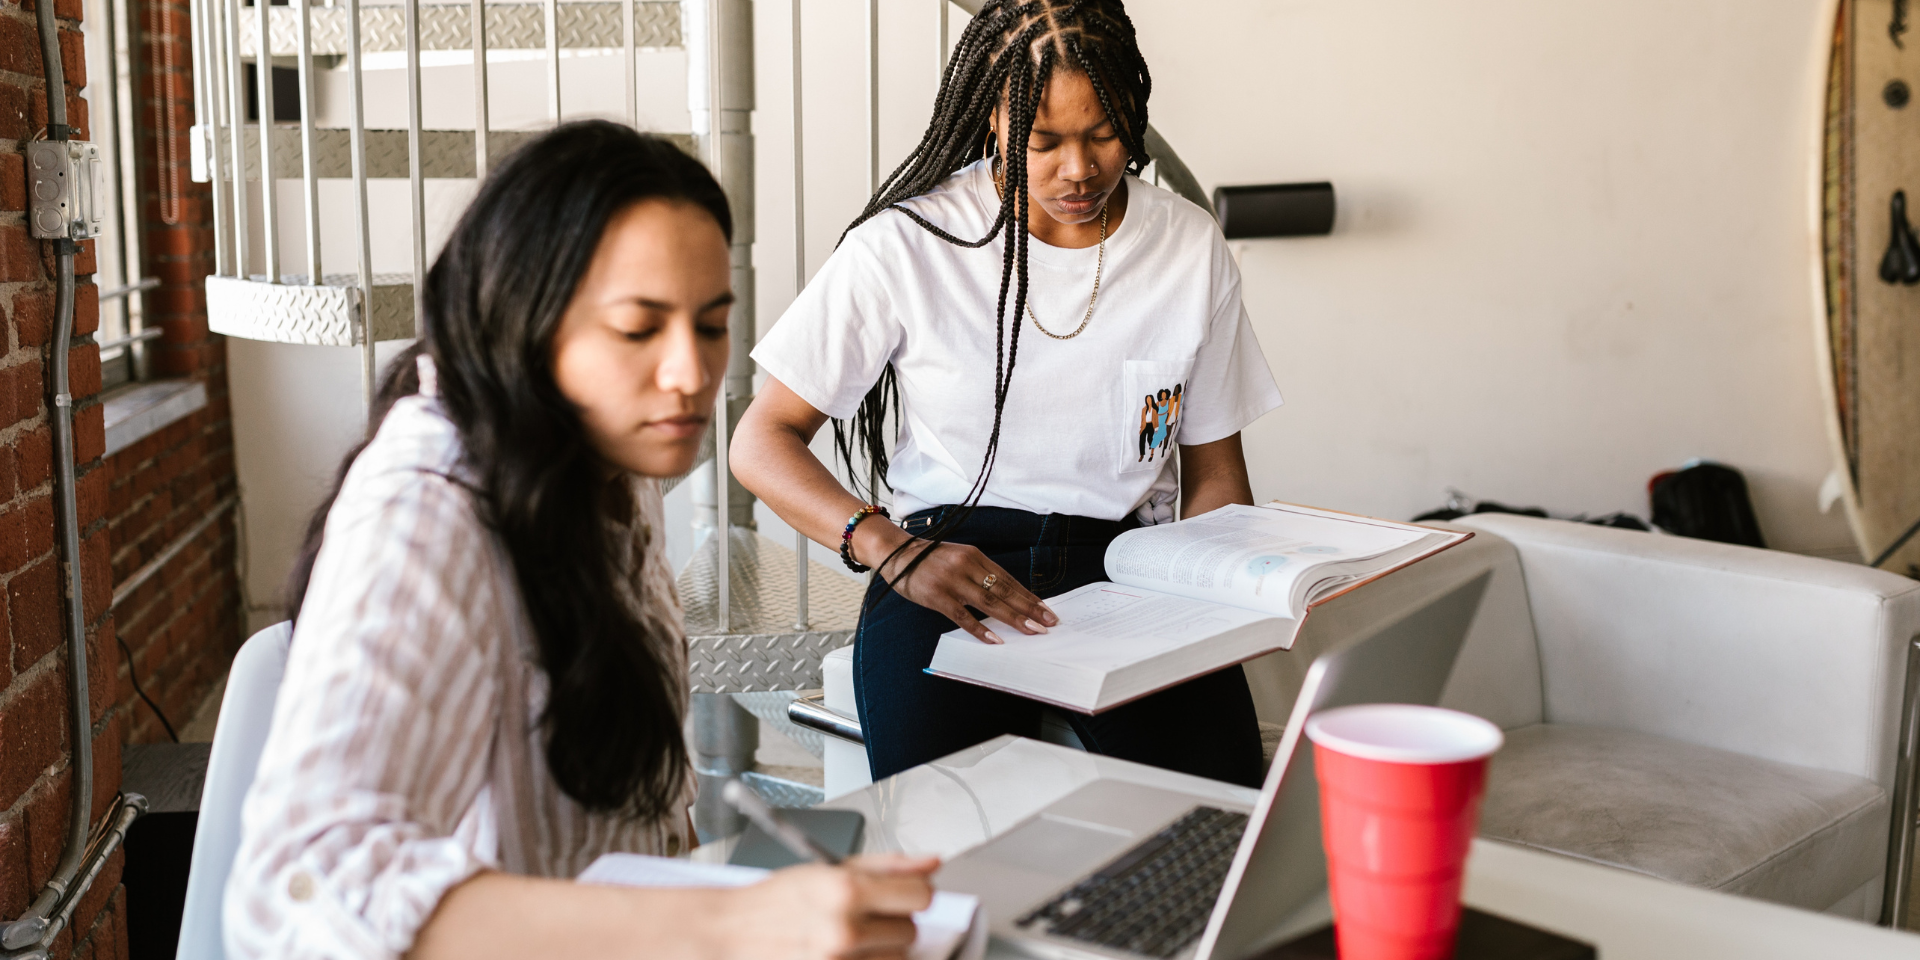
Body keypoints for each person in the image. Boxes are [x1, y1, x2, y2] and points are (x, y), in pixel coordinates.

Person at [226, 122, 936, 960]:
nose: (690, 375)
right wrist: (726, 925)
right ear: (532, 320)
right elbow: (297, 891)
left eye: (710, 327)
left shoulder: (604, 458)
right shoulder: (427, 517)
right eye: (639, 329)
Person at [731, 0, 1283, 787]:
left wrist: (1227, 593)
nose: (1079, 170)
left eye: (1104, 133)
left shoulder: (1188, 247)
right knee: (939, 830)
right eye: (1044, 140)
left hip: (1130, 568)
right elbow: (761, 440)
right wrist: (891, 550)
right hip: (945, 563)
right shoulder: (907, 244)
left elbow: (1215, 470)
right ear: (993, 118)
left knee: (1220, 819)